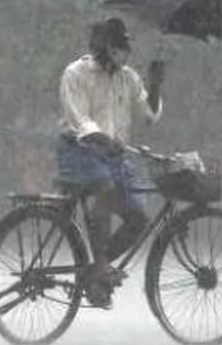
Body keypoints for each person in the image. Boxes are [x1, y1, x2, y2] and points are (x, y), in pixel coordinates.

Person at [56, 16, 165, 307]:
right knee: (104, 189)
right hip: (78, 151)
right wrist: (103, 140)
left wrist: (155, 85)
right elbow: (80, 120)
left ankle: (94, 272)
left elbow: (149, 115)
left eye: (124, 48)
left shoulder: (128, 77)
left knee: (138, 220)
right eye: (116, 48)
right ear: (102, 47)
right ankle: (102, 264)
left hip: (114, 155)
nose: (122, 54)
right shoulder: (76, 73)